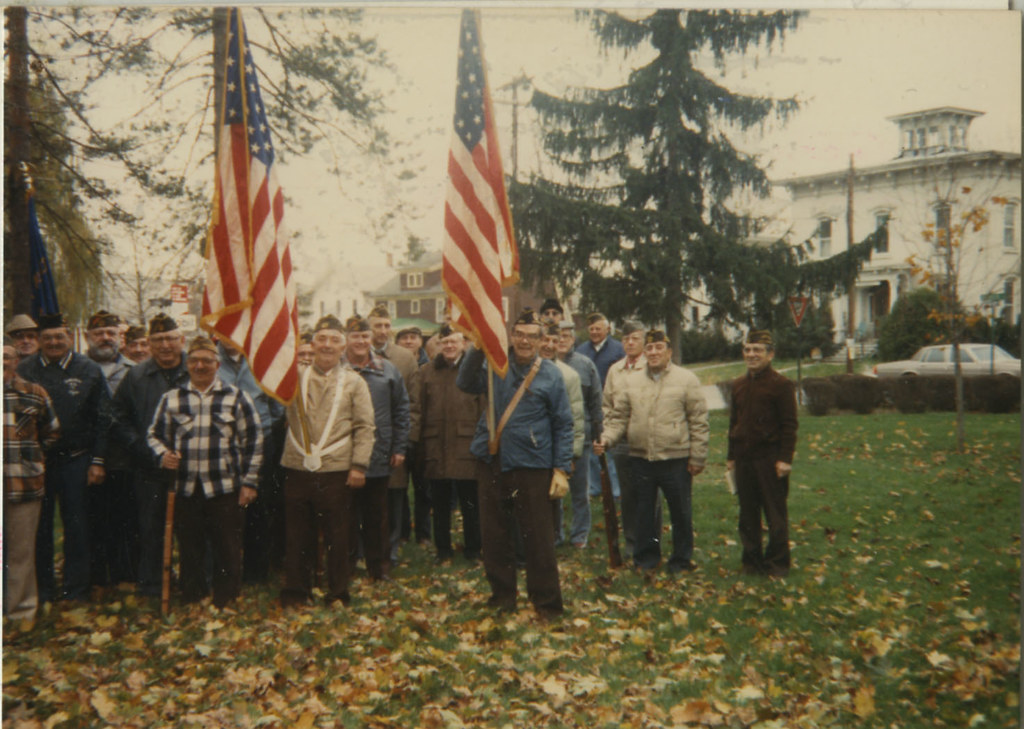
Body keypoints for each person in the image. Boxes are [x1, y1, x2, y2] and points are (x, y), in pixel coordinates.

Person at [457, 309, 574, 618]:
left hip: (532, 464)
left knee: (538, 539)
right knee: (494, 537)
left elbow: (563, 423)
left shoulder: (551, 375)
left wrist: (561, 467)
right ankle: (502, 597)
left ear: (541, 341)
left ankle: (547, 604)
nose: (525, 341)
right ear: (511, 336)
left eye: (532, 336)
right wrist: (479, 346)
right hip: (491, 459)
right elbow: (465, 381)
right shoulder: (497, 365)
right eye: (519, 334)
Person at [147, 336, 262, 607]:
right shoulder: (172, 399)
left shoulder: (236, 398)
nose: (200, 366)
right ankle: (193, 597)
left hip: (225, 487)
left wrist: (250, 483)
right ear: (187, 364)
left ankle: (226, 599)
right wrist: (163, 454)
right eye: (195, 360)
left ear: (217, 364)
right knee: (190, 546)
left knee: (228, 547)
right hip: (186, 487)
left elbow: (254, 442)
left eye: (207, 361)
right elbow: (153, 434)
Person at [279, 315, 374, 607]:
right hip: (298, 466)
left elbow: (365, 426)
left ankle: (337, 592)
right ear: (313, 343)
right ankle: (296, 591)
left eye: (334, 340)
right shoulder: (292, 378)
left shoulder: (354, 382)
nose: (328, 345)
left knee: (338, 535)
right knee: (296, 535)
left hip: (336, 468)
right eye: (322, 339)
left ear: (343, 345)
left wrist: (359, 465)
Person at [596, 330, 709, 575]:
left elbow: (698, 421)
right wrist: (606, 439)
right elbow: (618, 419)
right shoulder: (631, 382)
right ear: (645, 353)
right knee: (643, 512)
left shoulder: (686, 379)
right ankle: (646, 559)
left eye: (659, 348)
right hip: (641, 458)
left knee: (680, 512)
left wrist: (698, 457)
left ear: (669, 352)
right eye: (650, 349)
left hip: (676, 459)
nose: (654, 352)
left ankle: (680, 561)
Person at [17, 313, 110, 603]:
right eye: (47, 338)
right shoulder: (25, 370)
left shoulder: (89, 369)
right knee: (39, 527)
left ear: (69, 337)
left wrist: (98, 460)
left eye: (59, 337)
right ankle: (43, 590)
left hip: (77, 461)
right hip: (38, 463)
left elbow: (104, 419)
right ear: (39, 341)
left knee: (77, 526)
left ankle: (75, 591)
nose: (54, 342)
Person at [110, 313, 189, 597]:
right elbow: (117, 418)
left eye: (170, 338)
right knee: (151, 530)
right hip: (150, 468)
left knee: (193, 531)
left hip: (193, 468)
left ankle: (194, 586)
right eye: (157, 340)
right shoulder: (136, 376)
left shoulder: (198, 368)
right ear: (150, 344)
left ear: (181, 340)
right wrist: (144, 450)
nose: (165, 345)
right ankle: (154, 587)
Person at [726, 330, 798, 578]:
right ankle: (751, 562)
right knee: (748, 515)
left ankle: (777, 564)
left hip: (770, 460)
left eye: (757, 350)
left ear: (770, 354)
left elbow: (789, 425)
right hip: (744, 459)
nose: (751, 355)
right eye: (747, 350)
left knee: (775, 515)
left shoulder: (782, 386)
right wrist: (731, 457)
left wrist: (785, 459)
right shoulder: (738, 385)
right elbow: (733, 423)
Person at [345, 314, 410, 580]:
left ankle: (380, 569)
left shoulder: (387, 370)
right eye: (355, 336)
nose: (360, 341)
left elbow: (402, 410)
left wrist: (399, 447)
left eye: (364, 336)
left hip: (379, 453)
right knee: (345, 517)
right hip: (343, 455)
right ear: (346, 339)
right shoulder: (339, 370)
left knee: (378, 518)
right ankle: (346, 568)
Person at [217, 338, 286, 581]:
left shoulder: (262, 361)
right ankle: (226, 570)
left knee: (258, 505)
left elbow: (277, 407)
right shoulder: (209, 360)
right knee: (224, 507)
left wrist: (260, 428)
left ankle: (256, 572)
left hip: (259, 442)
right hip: (221, 445)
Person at [3, 341, 60, 625]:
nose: (2, 362)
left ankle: (20, 614)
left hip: (23, 483)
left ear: (16, 361)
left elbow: (51, 432)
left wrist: (31, 459)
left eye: (7, 357)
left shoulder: (35, 394)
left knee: (20, 551)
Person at [418, 325, 483, 563]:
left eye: (453, 342)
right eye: (444, 342)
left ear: (464, 344)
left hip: (468, 446)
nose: (449, 346)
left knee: (470, 503)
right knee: (440, 503)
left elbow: (484, 409)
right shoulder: (426, 372)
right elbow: (419, 409)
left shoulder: (475, 371)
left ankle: (474, 549)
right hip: (437, 446)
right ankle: (442, 549)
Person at [84, 310, 137, 590]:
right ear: (87, 338)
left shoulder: (133, 370)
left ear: (120, 337)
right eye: (98, 334)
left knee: (123, 518)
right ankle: (95, 578)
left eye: (111, 333)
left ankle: (124, 575)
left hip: (122, 458)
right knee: (90, 519)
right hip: (87, 456)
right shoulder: (79, 369)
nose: (105, 338)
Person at [366, 305, 423, 556]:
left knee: (395, 494)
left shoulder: (404, 358)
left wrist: (406, 440)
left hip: (394, 439)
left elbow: (413, 403)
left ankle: (392, 548)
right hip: (363, 439)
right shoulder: (355, 354)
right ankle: (364, 548)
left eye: (387, 325)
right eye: (377, 325)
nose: (383, 331)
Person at [600, 320, 657, 560]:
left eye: (635, 338)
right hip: (621, 440)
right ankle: (632, 543)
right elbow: (606, 405)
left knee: (650, 496)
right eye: (626, 339)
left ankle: (652, 544)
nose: (630, 343)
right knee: (628, 495)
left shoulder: (652, 366)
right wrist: (608, 432)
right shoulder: (616, 370)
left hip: (647, 440)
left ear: (644, 342)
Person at [556, 320, 603, 548]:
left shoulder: (585, 365)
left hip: (580, 436)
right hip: (553, 439)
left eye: (566, 336)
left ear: (573, 339)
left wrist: (598, 433)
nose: (562, 340)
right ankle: (556, 534)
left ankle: (579, 535)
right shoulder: (545, 365)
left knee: (579, 491)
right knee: (553, 490)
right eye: (558, 337)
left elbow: (596, 402)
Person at [539, 324, 584, 547]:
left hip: (556, 443)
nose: (549, 345)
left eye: (554, 341)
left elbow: (575, 416)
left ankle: (555, 537)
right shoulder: (524, 370)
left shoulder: (569, 376)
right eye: (545, 339)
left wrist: (571, 455)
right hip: (533, 443)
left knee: (554, 493)